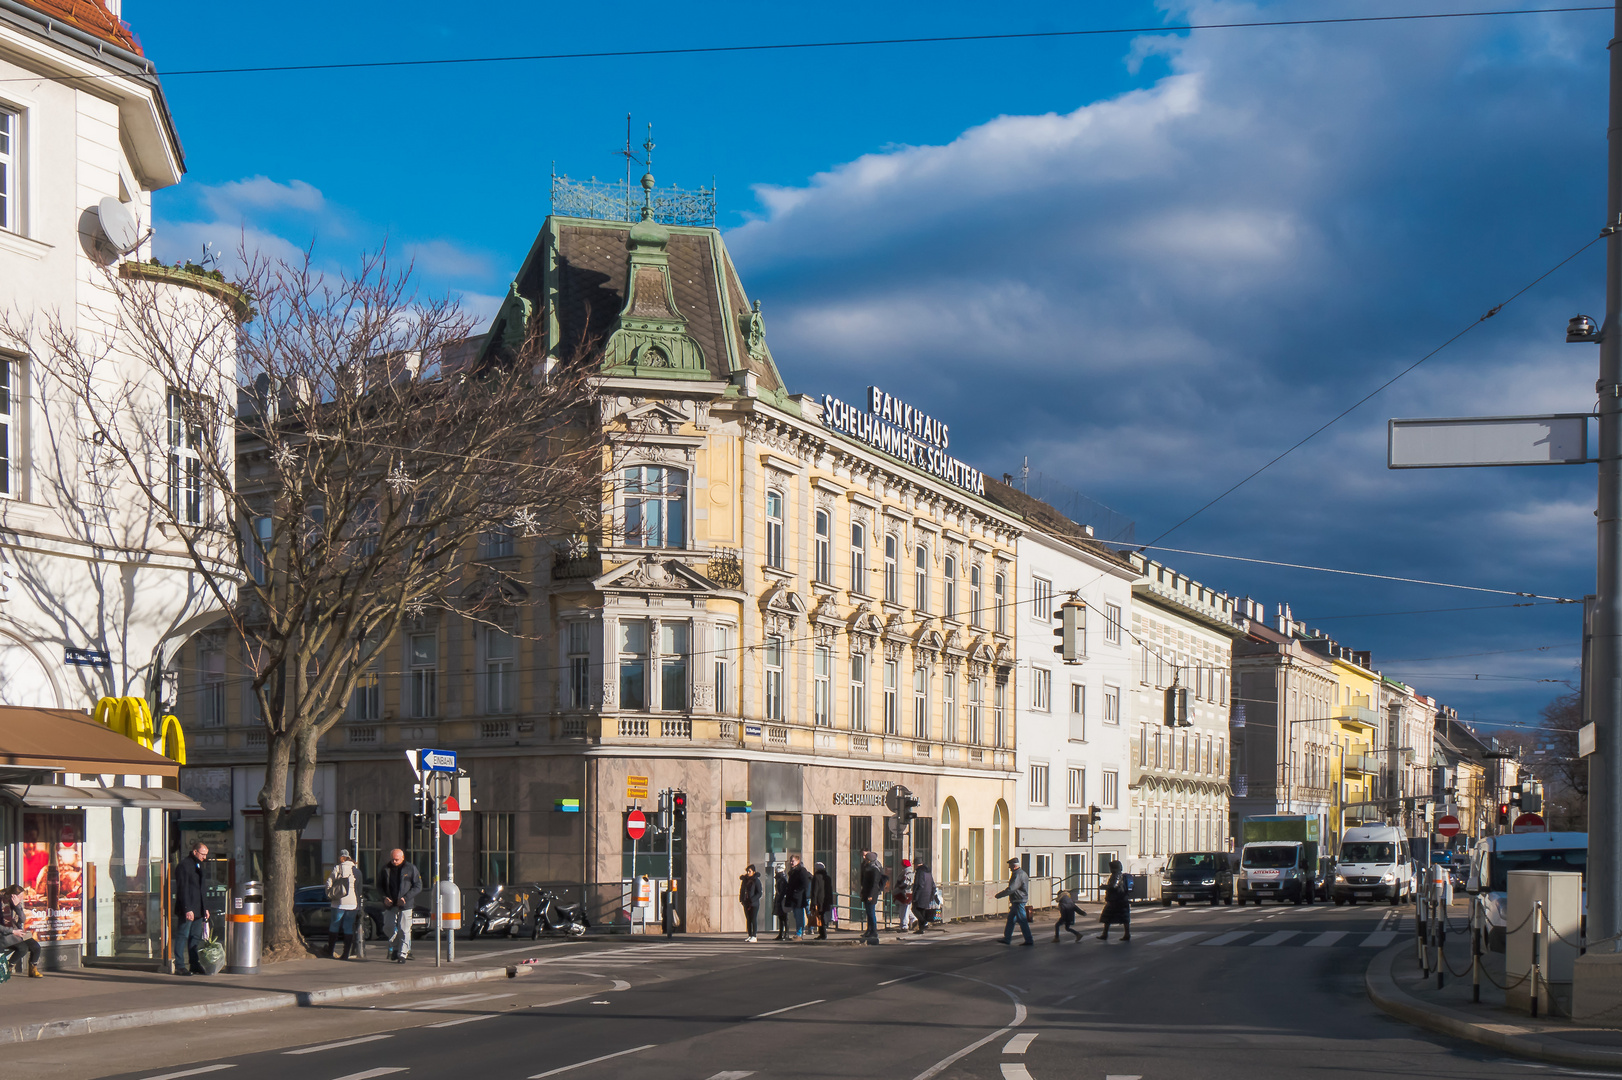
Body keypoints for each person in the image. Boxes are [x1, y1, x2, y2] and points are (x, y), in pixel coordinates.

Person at [377, 848, 423, 962]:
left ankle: (403, 954)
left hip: (405, 904)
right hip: (390, 904)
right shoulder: (386, 869)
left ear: (402, 858)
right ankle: (397, 948)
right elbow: (379, 886)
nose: (394, 862)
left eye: (397, 860)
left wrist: (405, 898)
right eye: (392, 859)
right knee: (388, 927)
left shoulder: (411, 868)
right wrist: (384, 898)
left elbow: (418, 886)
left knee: (404, 929)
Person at [172, 840, 210, 975]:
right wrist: (188, 908)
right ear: (195, 852)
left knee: (195, 937)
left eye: (206, 855)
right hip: (188, 908)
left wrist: (205, 908)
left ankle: (194, 964)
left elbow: (201, 889)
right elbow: (183, 889)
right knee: (183, 935)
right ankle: (180, 965)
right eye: (202, 854)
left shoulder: (198, 866)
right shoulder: (184, 866)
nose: (204, 857)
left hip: (198, 908)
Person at [324, 849, 360, 959]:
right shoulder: (356, 870)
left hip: (338, 902)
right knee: (348, 927)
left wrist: (329, 893)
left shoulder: (338, 868)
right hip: (352, 903)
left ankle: (330, 951)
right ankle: (346, 953)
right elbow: (359, 887)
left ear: (341, 857)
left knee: (334, 925)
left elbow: (329, 881)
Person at [1, 885, 41, 978]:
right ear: (13, 896)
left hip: (16, 931)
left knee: (36, 947)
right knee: (23, 948)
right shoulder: (2, 904)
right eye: (20, 896)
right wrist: (13, 931)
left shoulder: (14, 904)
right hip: (6, 934)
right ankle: (8, 967)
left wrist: (17, 906)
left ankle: (33, 969)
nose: (22, 898)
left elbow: (22, 919)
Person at [996, 857, 1034, 946]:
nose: (1009, 868)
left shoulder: (1018, 875)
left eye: (1010, 866)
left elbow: (1012, 888)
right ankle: (1007, 938)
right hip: (1018, 900)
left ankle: (1029, 939)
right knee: (1011, 920)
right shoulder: (1020, 873)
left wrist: (1000, 895)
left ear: (1014, 866)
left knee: (1022, 920)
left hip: (1018, 900)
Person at [1098, 860, 1132, 942]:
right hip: (1122, 899)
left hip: (1115, 900)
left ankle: (1105, 934)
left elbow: (1113, 886)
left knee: (1107, 917)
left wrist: (1104, 887)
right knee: (1124, 918)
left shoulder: (1116, 875)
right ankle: (1126, 934)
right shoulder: (1120, 875)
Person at [859, 850, 888, 945]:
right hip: (867, 892)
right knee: (868, 912)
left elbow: (874, 883)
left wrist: (871, 895)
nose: (865, 859)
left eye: (866, 858)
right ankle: (870, 930)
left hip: (871, 894)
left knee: (871, 913)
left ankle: (874, 931)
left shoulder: (874, 869)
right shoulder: (867, 867)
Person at [785, 854, 813, 939]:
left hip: (799, 898)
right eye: (790, 861)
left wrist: (797, 891)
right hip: (794, 898)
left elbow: (805, 884)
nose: (791, 863)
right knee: (796, 915)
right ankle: (799, 931)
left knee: (799, 915)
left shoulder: (801, 871)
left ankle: (799, 932)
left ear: (798, 861)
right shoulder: (792, 871)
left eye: (793, 861)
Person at [810, 861, 835, 940]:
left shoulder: (816, 877)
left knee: (819, 917)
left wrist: (813, 902)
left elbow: (815, 890)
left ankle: (823, 934)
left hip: (819, 900)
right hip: (826, 900)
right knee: (823, 917)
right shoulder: (827, 877)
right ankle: (823, 933)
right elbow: (830, 890)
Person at [910, 861, 937, 934]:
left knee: (915, 909)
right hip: (927, 895)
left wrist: (915, 896)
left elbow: (919, 885)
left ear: (916, 864)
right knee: (922, 911)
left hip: (921, 895)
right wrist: (931, 895)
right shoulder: (928, 871)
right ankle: (921, 929)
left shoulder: (920, 872)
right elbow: (933, 885)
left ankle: (924, 922)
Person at [738, 864, 762, 943]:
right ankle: (750, 934)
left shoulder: (756, 881)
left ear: (753, 872)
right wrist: (742, 899)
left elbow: (759, 893)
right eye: (747, 871)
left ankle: (754, 936)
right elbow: (742, 890)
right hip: (746, 903)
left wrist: (752, 899)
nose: (748, 873)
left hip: (754, 904)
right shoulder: (745, 880)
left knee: (753, 919)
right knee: (748, 919)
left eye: (750, 871)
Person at [894, 859, 915, 933]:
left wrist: (899, 888)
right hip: (905, 893)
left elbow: (906, 883)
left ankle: (904, 925)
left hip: (905, 893)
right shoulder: (907, 872)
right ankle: (914, 920)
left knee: (904, 909)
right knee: (906, 909)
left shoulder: (907, 873)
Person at [772, 864, 791, 941]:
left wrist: (779, 899)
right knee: (781, 917)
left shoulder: (782, 879)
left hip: (782, 900)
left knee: (784, 917)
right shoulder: (780, 878)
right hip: (779, 899)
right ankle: (781, 933)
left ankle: (785, 934)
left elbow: (783, 891)